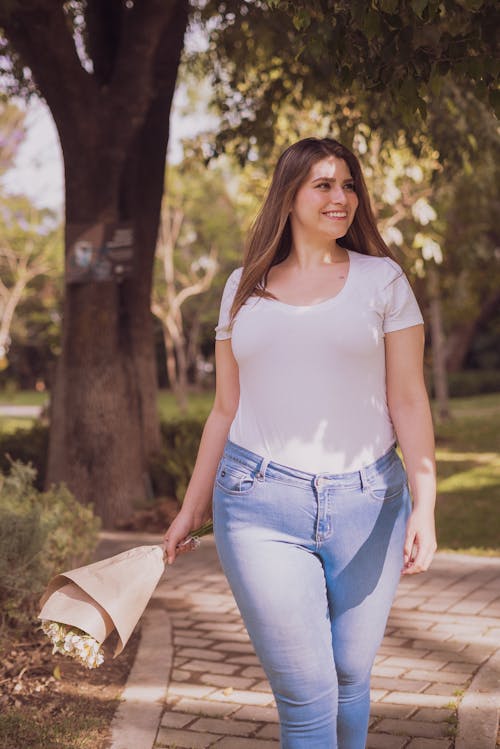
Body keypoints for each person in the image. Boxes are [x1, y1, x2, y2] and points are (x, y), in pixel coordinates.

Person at [163, 137, 437, 749]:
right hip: (259, 505)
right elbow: (225, 409)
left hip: (371, 505)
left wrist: (426, 505)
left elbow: (410, 400)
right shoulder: (243, 287)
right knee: (307, 693)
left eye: (347, 184)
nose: (340, 197)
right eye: (322, 184)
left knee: (348, 675)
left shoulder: (382, 280)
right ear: (288, 195)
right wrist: (190, 509)